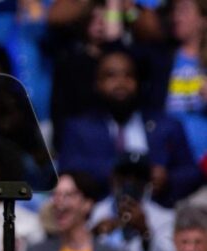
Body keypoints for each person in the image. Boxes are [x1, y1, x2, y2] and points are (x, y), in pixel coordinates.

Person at [57, 47, 201, 207]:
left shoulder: (166, 126)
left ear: (139, 83)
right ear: (97, 84)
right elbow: (68, 169)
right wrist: (117, 172)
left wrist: (167, 178)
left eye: (129, 75)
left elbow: (192, 173)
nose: (121, 83)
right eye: (111, 75)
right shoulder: (79, 129)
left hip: (159, 213)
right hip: (97, 214)